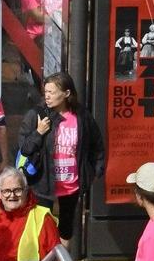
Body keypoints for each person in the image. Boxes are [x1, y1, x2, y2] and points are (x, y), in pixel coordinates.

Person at [15, 73, 105, 243]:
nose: (47, 96)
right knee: (42, 230)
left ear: (66, 93)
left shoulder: (81, 116)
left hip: (71, 184)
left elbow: (97, 144)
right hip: (42, 183)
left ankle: (62, 260)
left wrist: (94, 171)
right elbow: (25, 149)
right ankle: (44, 260)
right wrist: (38, 133)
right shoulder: (37, 115)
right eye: (46, 92)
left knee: (66, 228)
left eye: (52, 92)